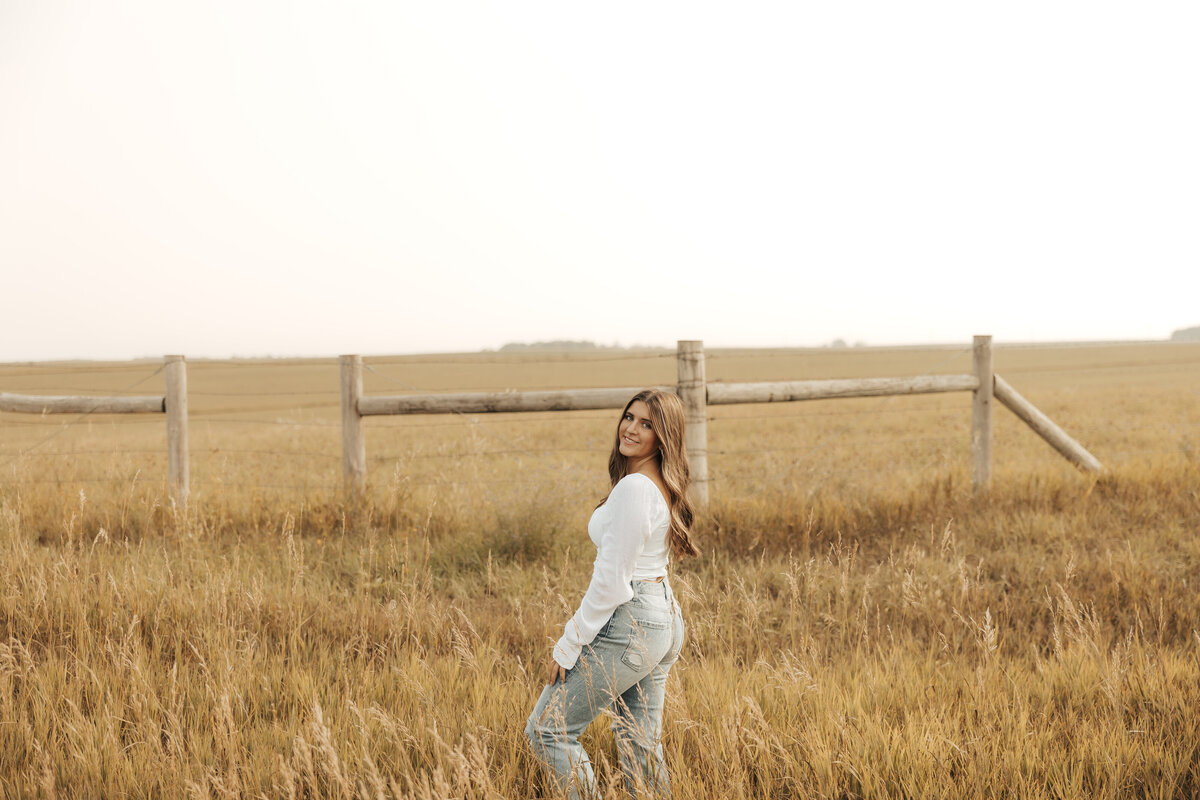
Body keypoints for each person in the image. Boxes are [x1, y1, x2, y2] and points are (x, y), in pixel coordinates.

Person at [525, 389, 699, 799]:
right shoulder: (653, 483)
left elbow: (611, 582)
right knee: (640, 743)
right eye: (629, 417)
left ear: (664, 437)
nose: (631, 429)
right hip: (660, 617)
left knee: (549, 731)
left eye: (647, 424)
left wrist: (569, 643)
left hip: (633, 620)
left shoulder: (636, 489)